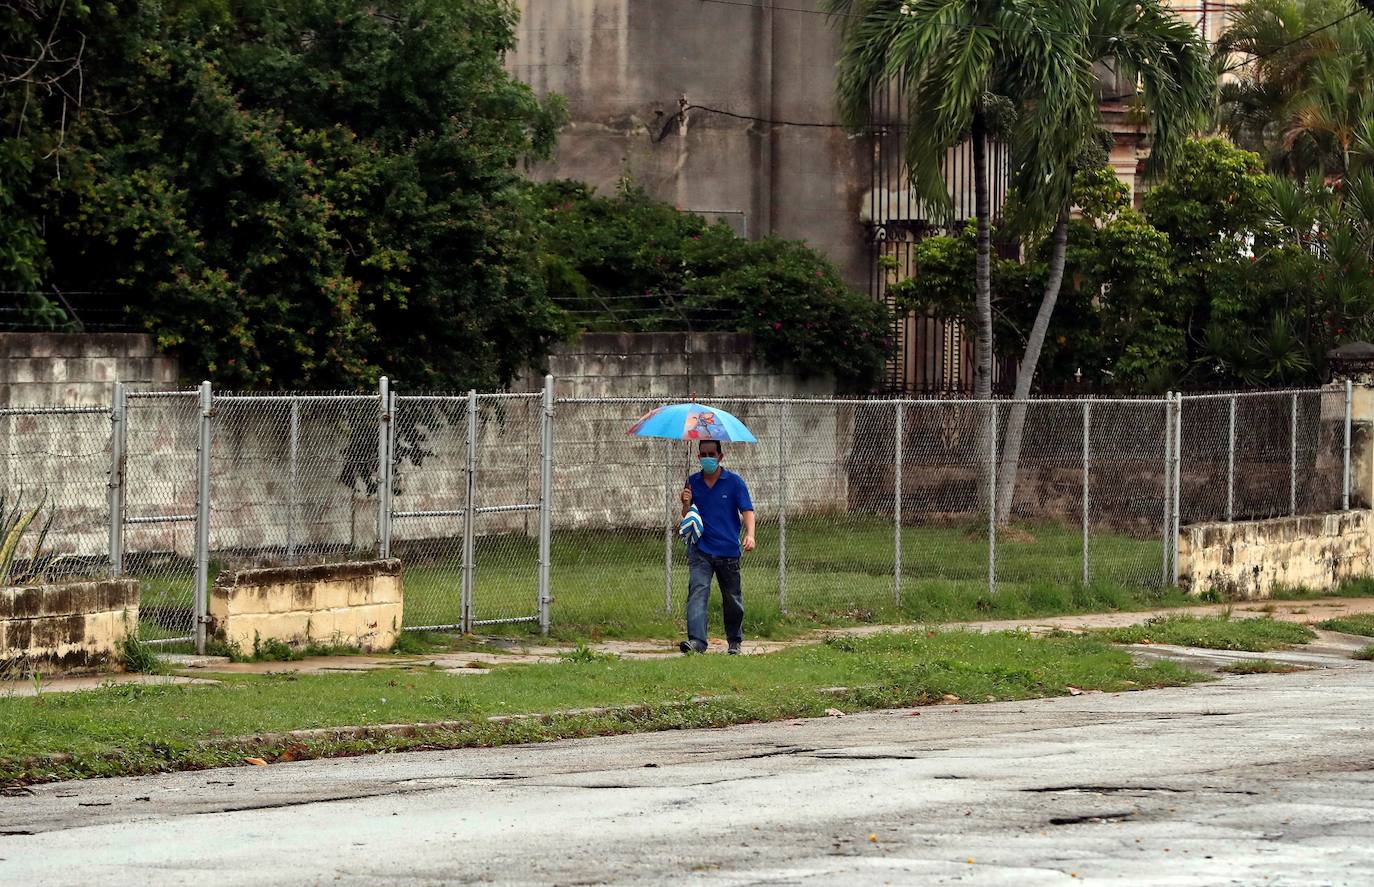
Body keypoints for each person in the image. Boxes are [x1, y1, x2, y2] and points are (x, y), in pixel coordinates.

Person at [679, 438, 755, 655]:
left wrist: (750, 535)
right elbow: (687, 516)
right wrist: (685, 502)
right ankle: (697, 642)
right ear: (698, 457)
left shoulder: (734, 482)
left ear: (720, 457)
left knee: (732, 598)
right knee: (697, 592)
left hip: (728, 550)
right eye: (703, 454)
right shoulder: (692, 482)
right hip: (701, 549)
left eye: (712, 454)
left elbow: (747, 511)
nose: (708, 458)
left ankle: (734, 641)